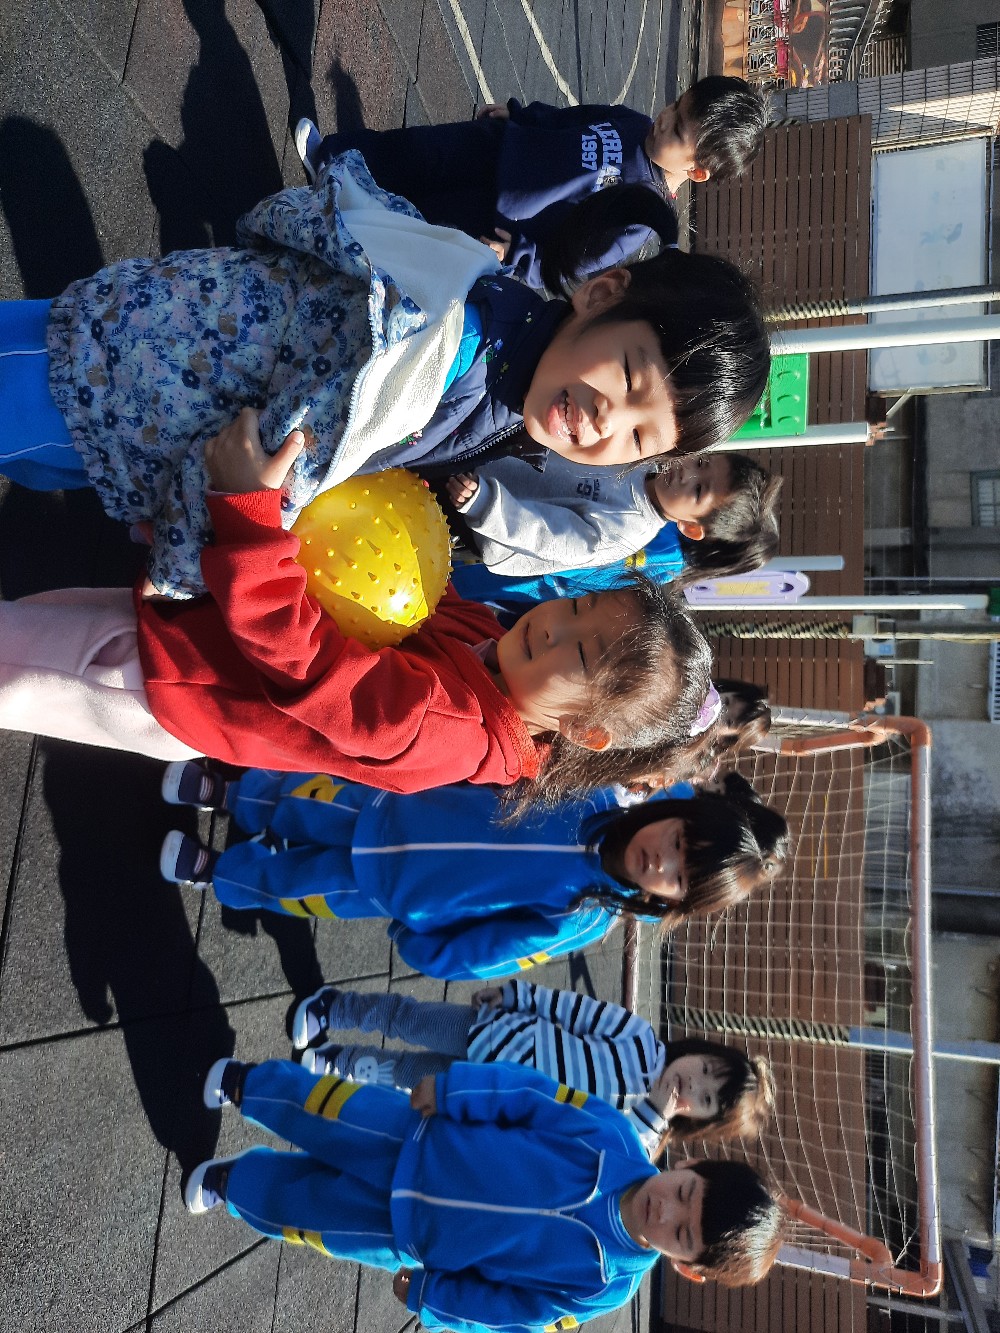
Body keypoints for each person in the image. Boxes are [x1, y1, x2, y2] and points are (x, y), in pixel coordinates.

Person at [0, 152, 769, 598]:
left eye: (639, 437)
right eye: (629, 375)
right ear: (601, 294)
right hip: (119, 387)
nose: (608, 421)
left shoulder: (500, 341)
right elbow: (282, 457)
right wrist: (179, 566)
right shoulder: (442, 357)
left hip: (140, 364)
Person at [0, 411, 719, 790]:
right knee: (33, 620)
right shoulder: (487, 641)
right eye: (577, 609)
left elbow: (311, 663)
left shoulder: (449, 730)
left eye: (583, 652)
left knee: (16, 664)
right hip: (200, 644)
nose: (554, 625)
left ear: (586, 732)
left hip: (179, 682)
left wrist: (249, 520)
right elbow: (390, 584)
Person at [184, 1056, 786, 1324]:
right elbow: (531, 1097)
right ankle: (247, 1085)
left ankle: (235, 1184)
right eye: (685, 1192)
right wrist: (456, 1092)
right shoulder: (612, 1137)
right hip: (417, 1137)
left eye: (681, 1234)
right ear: (692, 1164)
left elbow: (513, 1311)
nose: (666, 1209)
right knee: (322, 1111)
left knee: (303, 1213)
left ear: (686, 1267)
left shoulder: (604, 1287)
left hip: (406, 1235)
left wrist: (436, 1299)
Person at [157, 765, 789, 977]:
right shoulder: (590, 791)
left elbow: (497, 951)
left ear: (670, 900)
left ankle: (221, 874)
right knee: (303, 799)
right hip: (395, 806)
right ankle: (229, 794)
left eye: (677, 877)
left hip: (392, 890)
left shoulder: (582, 917)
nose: (662, 860)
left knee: (293, 887)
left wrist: (427, 948)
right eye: (677, 841)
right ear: (673, 811)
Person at [295, 77, 770, 289]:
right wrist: (520, 115)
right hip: (501, 146)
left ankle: (339, 224)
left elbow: (572, 262)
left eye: (678, 129)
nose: (664, 119)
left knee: (419, 218)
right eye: (675, 106)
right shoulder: (635, 122)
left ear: (696, 170)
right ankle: (331, 158)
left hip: (500, 217)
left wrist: (517, 255)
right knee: (417, 151)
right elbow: (571, 118)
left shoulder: (638, 214)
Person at [291, 982, 776, 1158]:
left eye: (705, 1098)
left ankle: (339, 1062)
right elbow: (573, 1010)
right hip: (496, 1033)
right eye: (705, 1068)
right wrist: (516, 995)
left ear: (699, 1120)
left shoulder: (641, 1140)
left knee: (407, 1076)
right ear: (698, 1050)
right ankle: (335, 1009)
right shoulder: (640, 1038)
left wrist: (653, 1115)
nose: (693, 1082)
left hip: (488, 1096)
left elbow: (605, 1151)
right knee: (412, 1020)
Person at [442, 450, 783, 605]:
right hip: (483, 468)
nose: (687, 473)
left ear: (691, 528)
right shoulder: (644, 459)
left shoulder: (626, 531)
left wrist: (485, 505)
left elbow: (549, 535)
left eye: (698, 490)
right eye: (702, 463)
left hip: (476, 518)